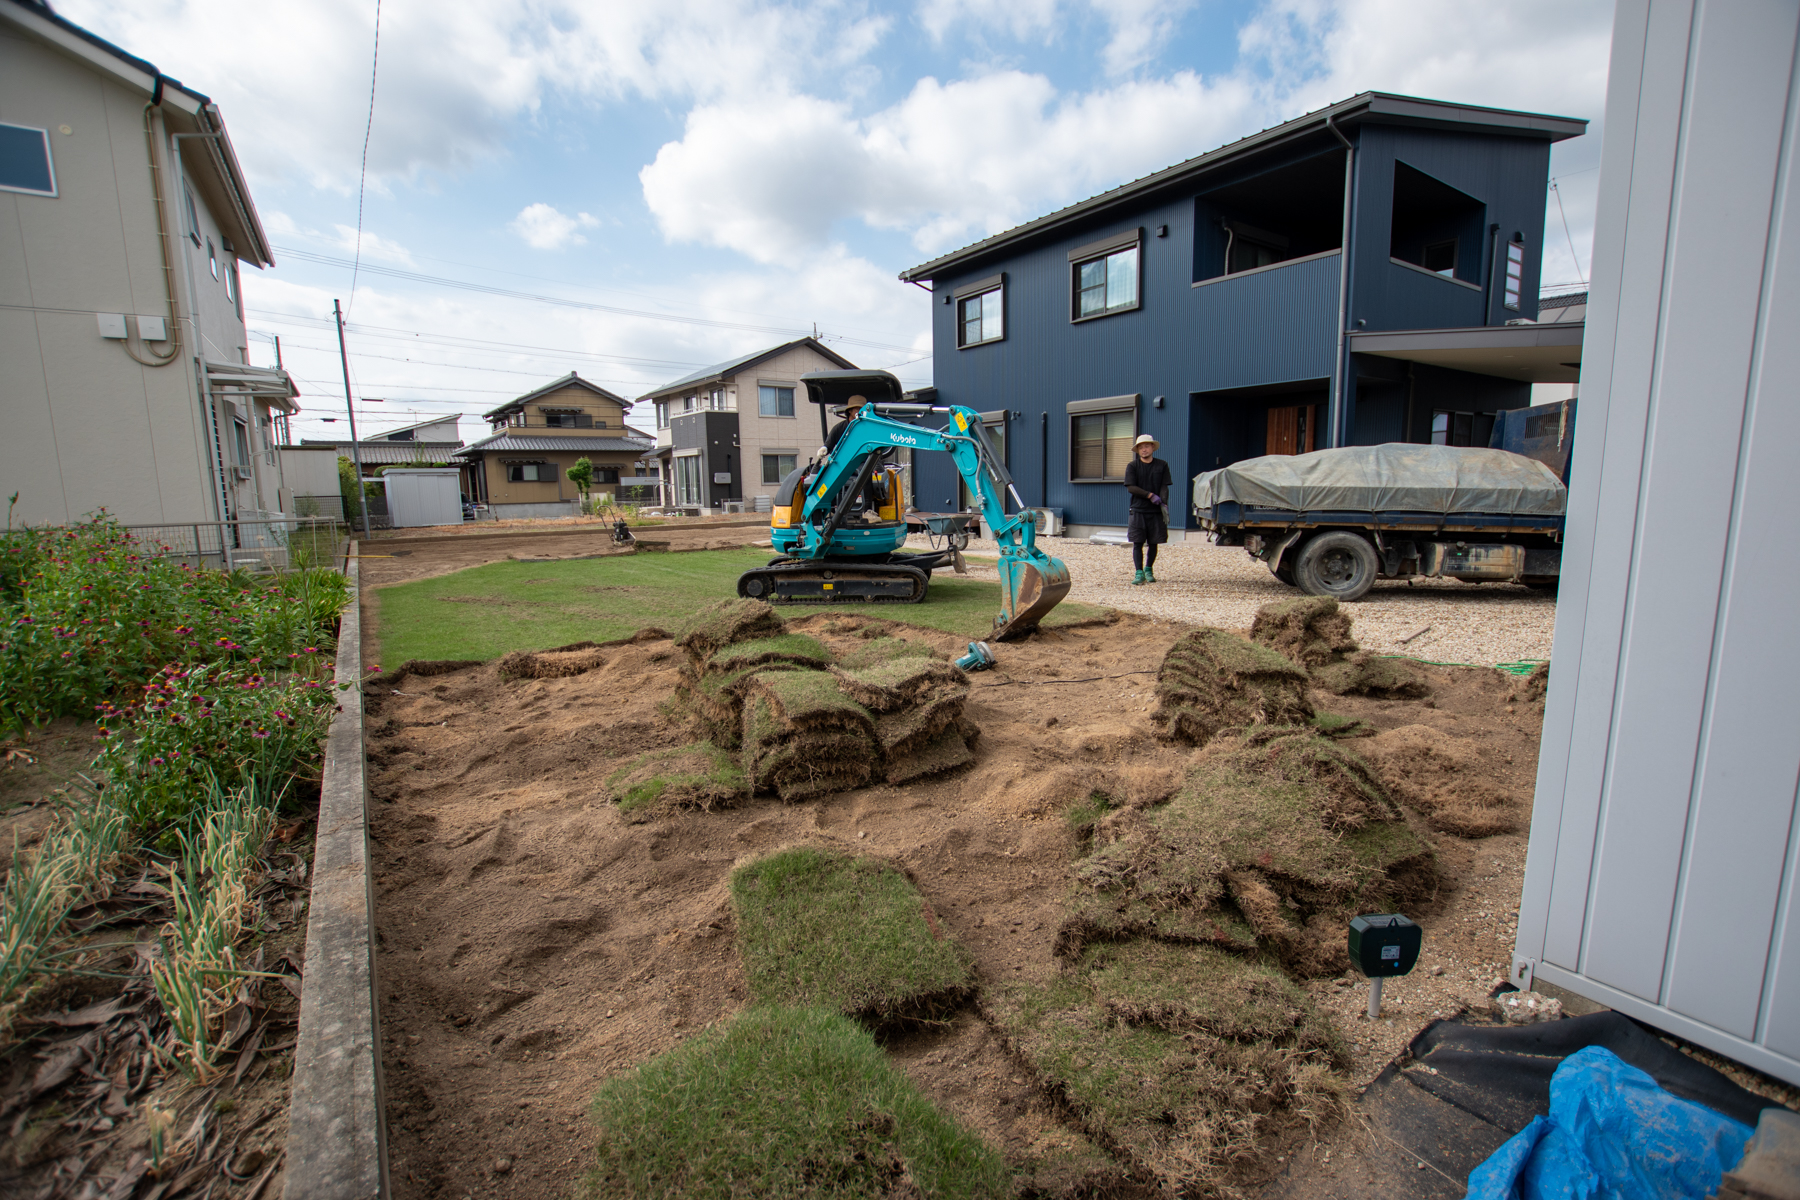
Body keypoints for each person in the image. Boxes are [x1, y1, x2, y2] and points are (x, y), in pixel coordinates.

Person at [1123, 433, 1171, 585]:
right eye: (1141, 447)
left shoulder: (1162, 465)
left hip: (1155, 511)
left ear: (1152, 448)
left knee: (1154, 542)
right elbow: (1131, 487)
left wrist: (1164, 502)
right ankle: (1139, 573)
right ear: (1137, 450)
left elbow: (1164, 486)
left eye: (1146, 446)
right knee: (1137, 542)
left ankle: (1149, 569)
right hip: (1138, 509)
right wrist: (1149, 495)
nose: (1144, 450)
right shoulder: (1133, 466)